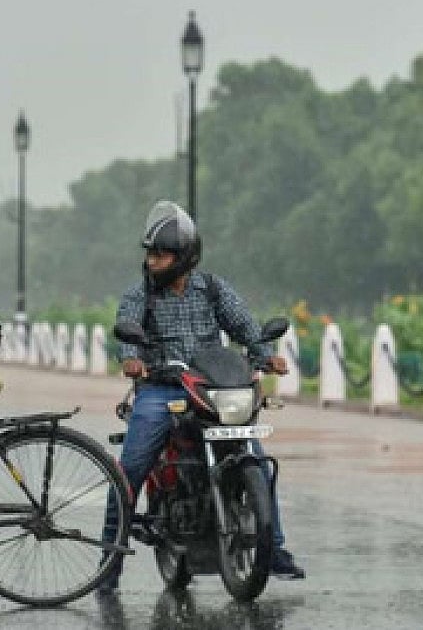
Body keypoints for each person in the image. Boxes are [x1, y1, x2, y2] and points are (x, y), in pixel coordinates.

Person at [99, 200, 305, 593]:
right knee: (129, 471)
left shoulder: (212, 289)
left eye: (160, 254)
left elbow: (246, 328)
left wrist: (265, 356)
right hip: (163, 390)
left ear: (183, 258)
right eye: (150, 253)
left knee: (256, 459)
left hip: (213, 389)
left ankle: (273, 548)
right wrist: (132, 360)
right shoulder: (140, 295)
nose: (152, 261)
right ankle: (110, 559)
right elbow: (126, 333)